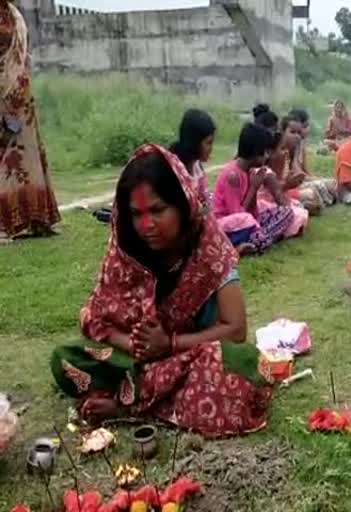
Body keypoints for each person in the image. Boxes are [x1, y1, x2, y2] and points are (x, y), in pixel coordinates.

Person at [50, 145, 272, 437]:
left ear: (181, 205)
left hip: (191, 356)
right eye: (136, 213)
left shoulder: (207, 245)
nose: (146, 226)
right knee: (65, 358)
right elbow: (94, 318)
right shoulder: (126, 250)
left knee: (239, 363)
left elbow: (235, 329)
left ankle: (127, 403)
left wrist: (169, 344)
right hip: (132, 361)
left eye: (157, 210)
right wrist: (131, 343)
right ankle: (142, 398)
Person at [0, 1, 60, 240]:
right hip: (7, 92)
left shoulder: (13, 15)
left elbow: (20, 54)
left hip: (18, 93)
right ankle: (10, 221)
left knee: (25, 153)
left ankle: (33, 218)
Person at [212, 123, 294, 255]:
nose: (267, 156)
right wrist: (254, 187)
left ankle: (257, 240)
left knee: (286, 212)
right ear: (255, 152)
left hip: (245, 223)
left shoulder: (249, 172)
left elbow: (253, 213)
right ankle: (252, 243)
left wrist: (254, 188)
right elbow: (238, 215)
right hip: (227, 227)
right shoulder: (232, 175)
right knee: (248, 221)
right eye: (265, 152)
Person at [170, 109, 216, 208]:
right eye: (208, 143)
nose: (211, 148)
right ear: (194, 142)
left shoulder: (197, 166)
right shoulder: (175, 170)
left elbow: (205, 200)